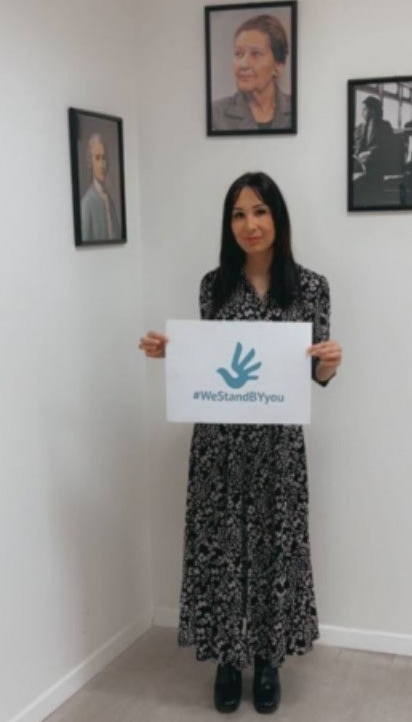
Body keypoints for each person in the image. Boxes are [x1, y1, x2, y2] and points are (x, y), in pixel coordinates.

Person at [139, 172, 342, 714]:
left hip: (278, 447)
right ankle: (228, 660)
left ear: (278, 218)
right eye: (238, 214)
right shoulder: (214, 286)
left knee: (275, 548)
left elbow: (315, 376)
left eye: (260, 211)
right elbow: (208, 359)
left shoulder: (312, 288)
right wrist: (174, 354)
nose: (250, 224)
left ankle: (268, 660)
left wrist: (329, 364)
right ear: (228, 224)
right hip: (219, 445)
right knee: (222, 550)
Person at [211, 15, 292, 131]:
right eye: (239, 54)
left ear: (278, 66)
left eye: (256, 54)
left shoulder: (298, 109)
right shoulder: (215, 114)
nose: (243, 64)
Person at [352, 95, 394, 205]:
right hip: (359, 170)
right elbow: (355, 147)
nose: (362, 112)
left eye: (364, 109)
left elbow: (387, 147)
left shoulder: (385, 126)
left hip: (376, 171)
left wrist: (371, 153)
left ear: (373, 110)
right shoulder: (359, 128)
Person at [80, 133, 120, 241]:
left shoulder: (110, 201)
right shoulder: (86, 203)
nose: (102, 164)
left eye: (104, 158)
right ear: (90, 163)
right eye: (97, 158)